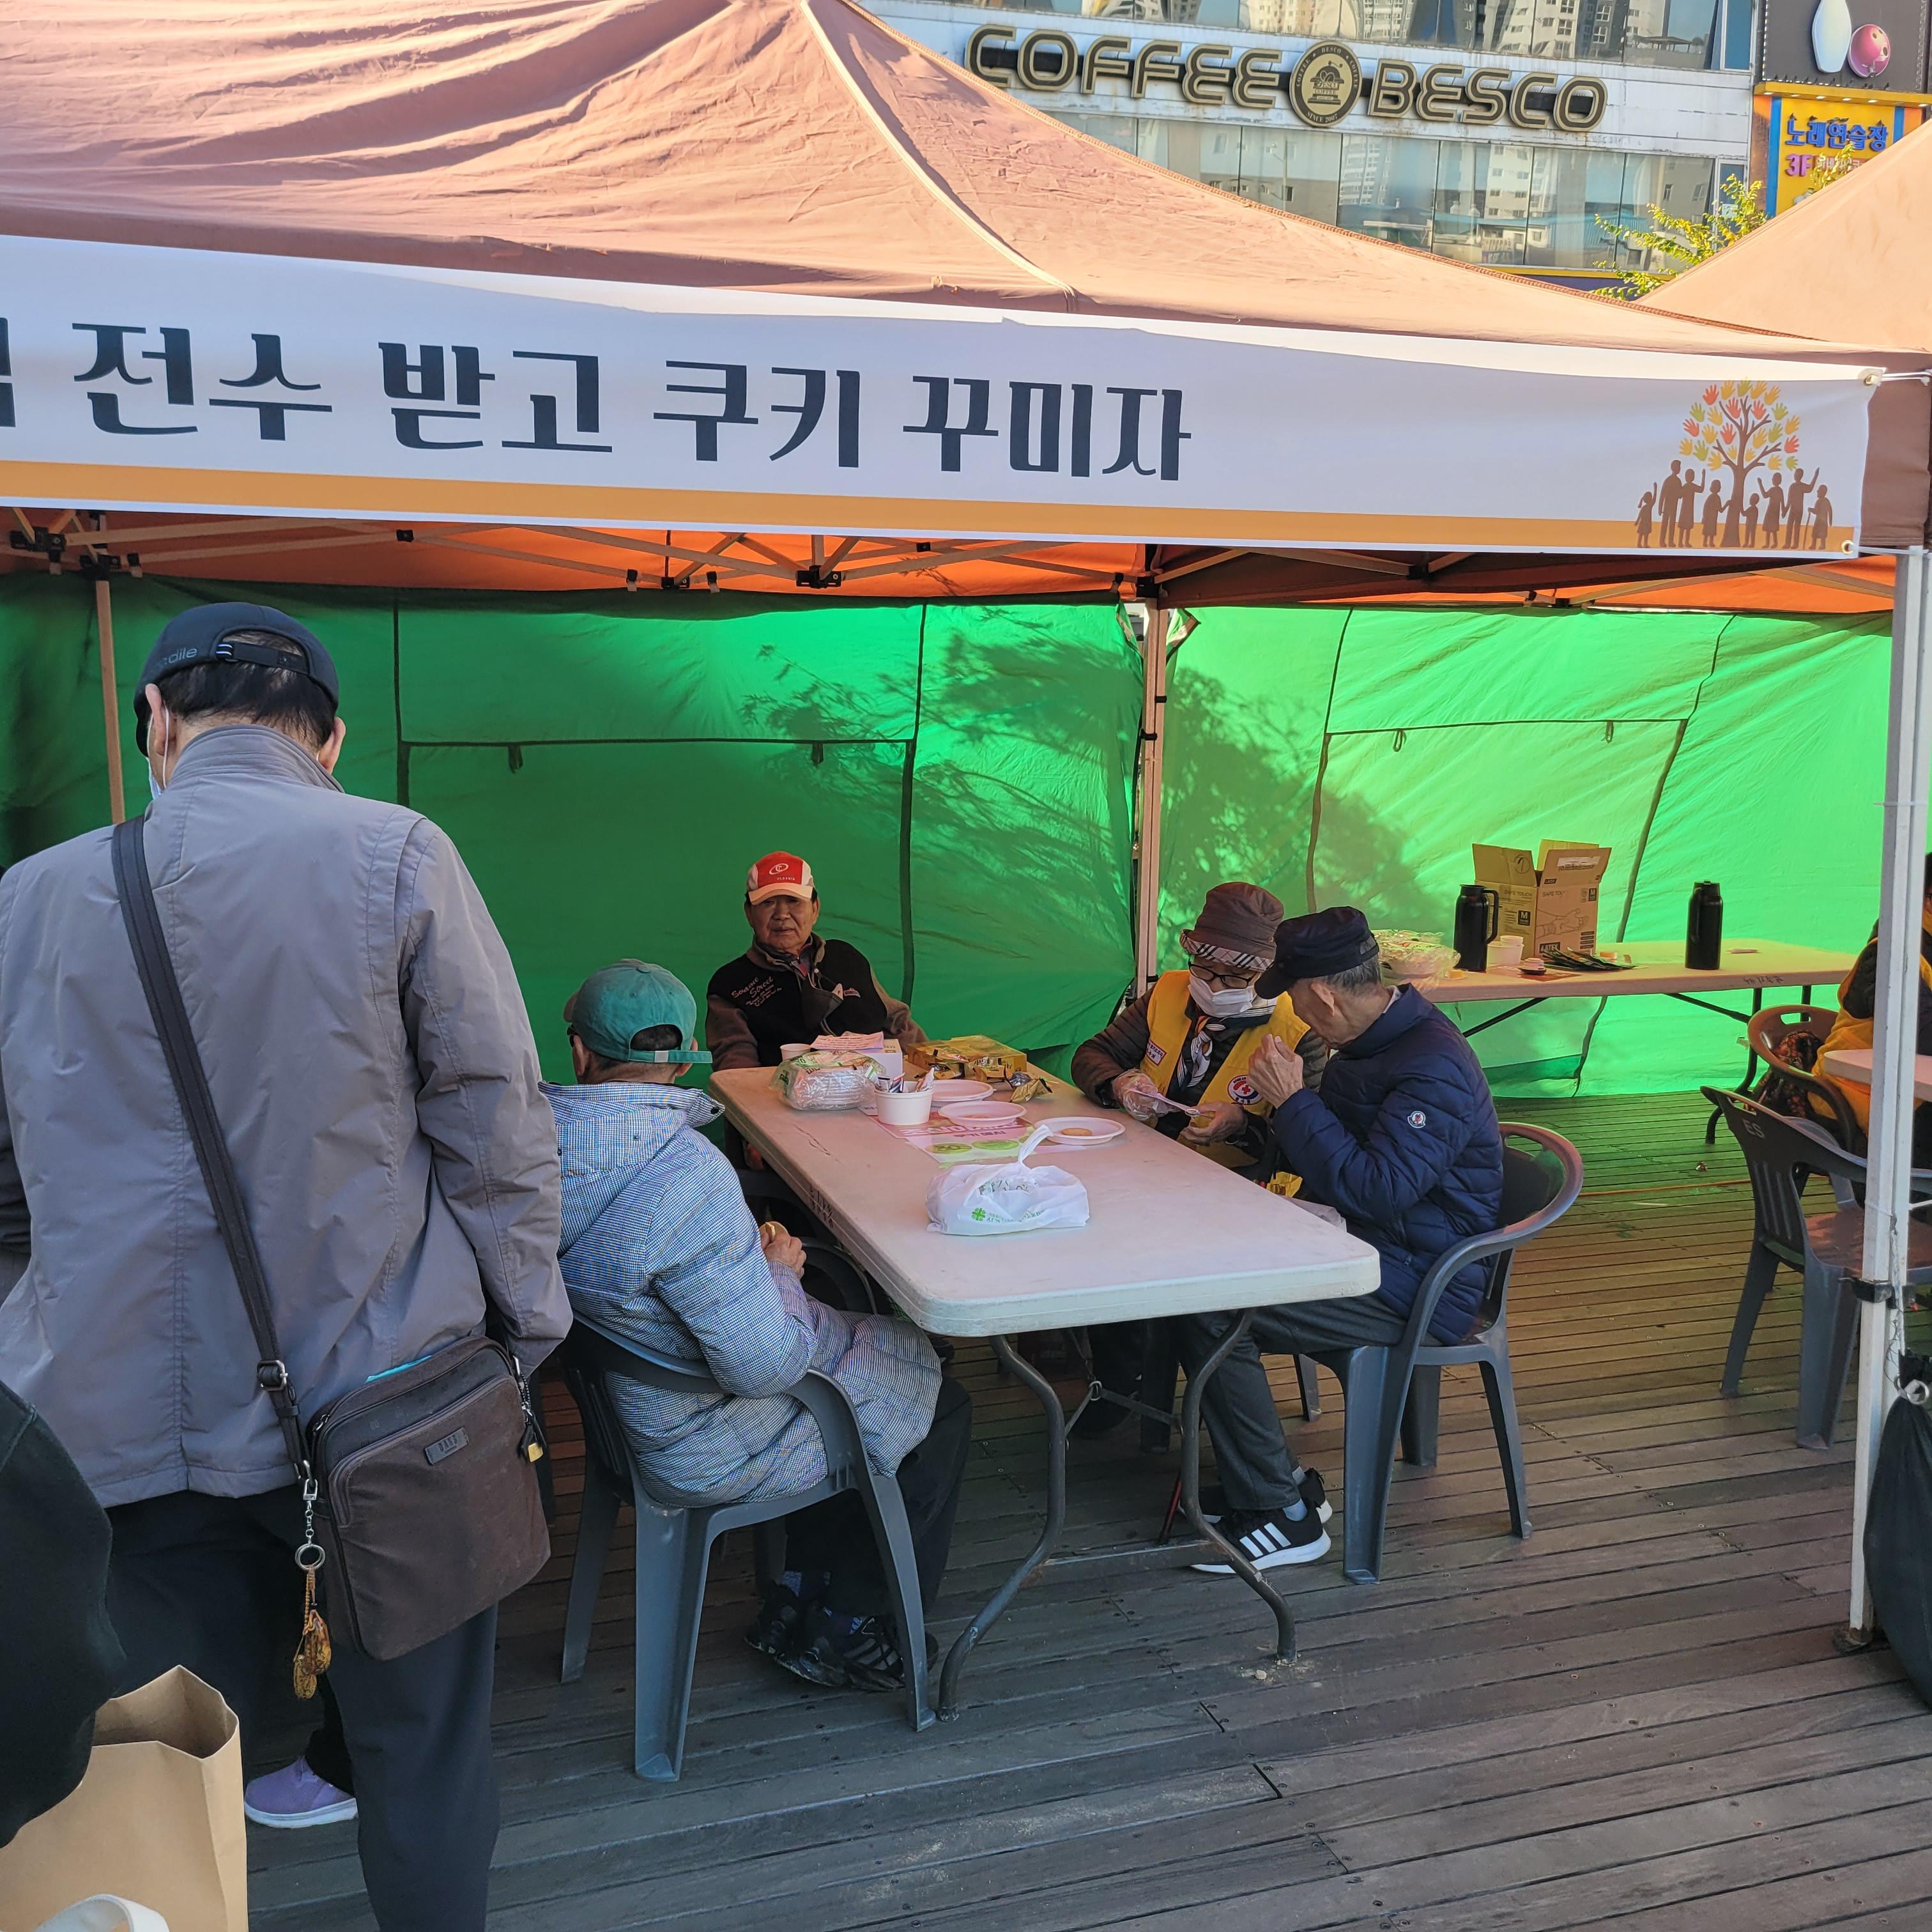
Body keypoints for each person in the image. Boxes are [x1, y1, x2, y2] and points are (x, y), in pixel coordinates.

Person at [0, 603, 571, 1929]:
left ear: (156, 720)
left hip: (110, 1434)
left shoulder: (24, 900)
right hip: (385, 1414)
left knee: (139, 1782)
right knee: (423, 1760)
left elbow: (6, 1192)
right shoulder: (398, 852)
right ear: (331, 739)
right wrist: (517, 1341)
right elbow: (499, 1127)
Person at [548, 960, 969, 1690]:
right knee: (934, 1403)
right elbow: (764, 1368)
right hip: (698, 1439)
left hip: (625, 1406)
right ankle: (851, 1626)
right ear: (685, 1060)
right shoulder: (682, 1174)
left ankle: (798, 1594)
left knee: (858, 1366)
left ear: (580, 1053)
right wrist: (777, 1270)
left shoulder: (533, 1155)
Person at [1172, 907, 1505, 1575]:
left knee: (1209, 1309)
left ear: (1322, 995)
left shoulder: (1431, 1065)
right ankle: (1279, 1484)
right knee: (1187, 1272)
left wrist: (1292, 1101)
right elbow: (1341, 1151)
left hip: (1416, 1282)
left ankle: (1281, 1512)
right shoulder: (1374, 1040)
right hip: (1354, 1247)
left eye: (1294, 998)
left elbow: (1377, 1189)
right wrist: (1248, 1124)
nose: (1293, 1013)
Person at [1070, 882, 1325, 1434]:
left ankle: (1134, 1375)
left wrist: (1246, 1125)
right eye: (1204, 970)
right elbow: (1092, 1054)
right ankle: (1118, 1370)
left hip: (1238, 1188)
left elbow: (1310, 1142)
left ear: (1264, 975)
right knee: (1080, 1211)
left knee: (1124, 1234)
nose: (1213, 986)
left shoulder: (1299, 1031)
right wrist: (1120, 1083)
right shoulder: (1167, 993)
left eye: (1234, 978)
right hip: (1147, 1164)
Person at [706, 852, 924, 1071]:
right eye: (768, 903)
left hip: (877, 1085)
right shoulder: (730, 984)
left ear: (815, 908)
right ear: (749, 913)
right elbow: (737, 1066)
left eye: (794, 901)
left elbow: (898, 1024)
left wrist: (927, 1070)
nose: (782, 914)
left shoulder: (846, 956)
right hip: (782, 1091)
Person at [1817, 853, 1932, 1162]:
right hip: (1861, 1087)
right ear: (1921, 899)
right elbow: (1919, 1036)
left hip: (1910, 1084)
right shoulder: (1893, 951)